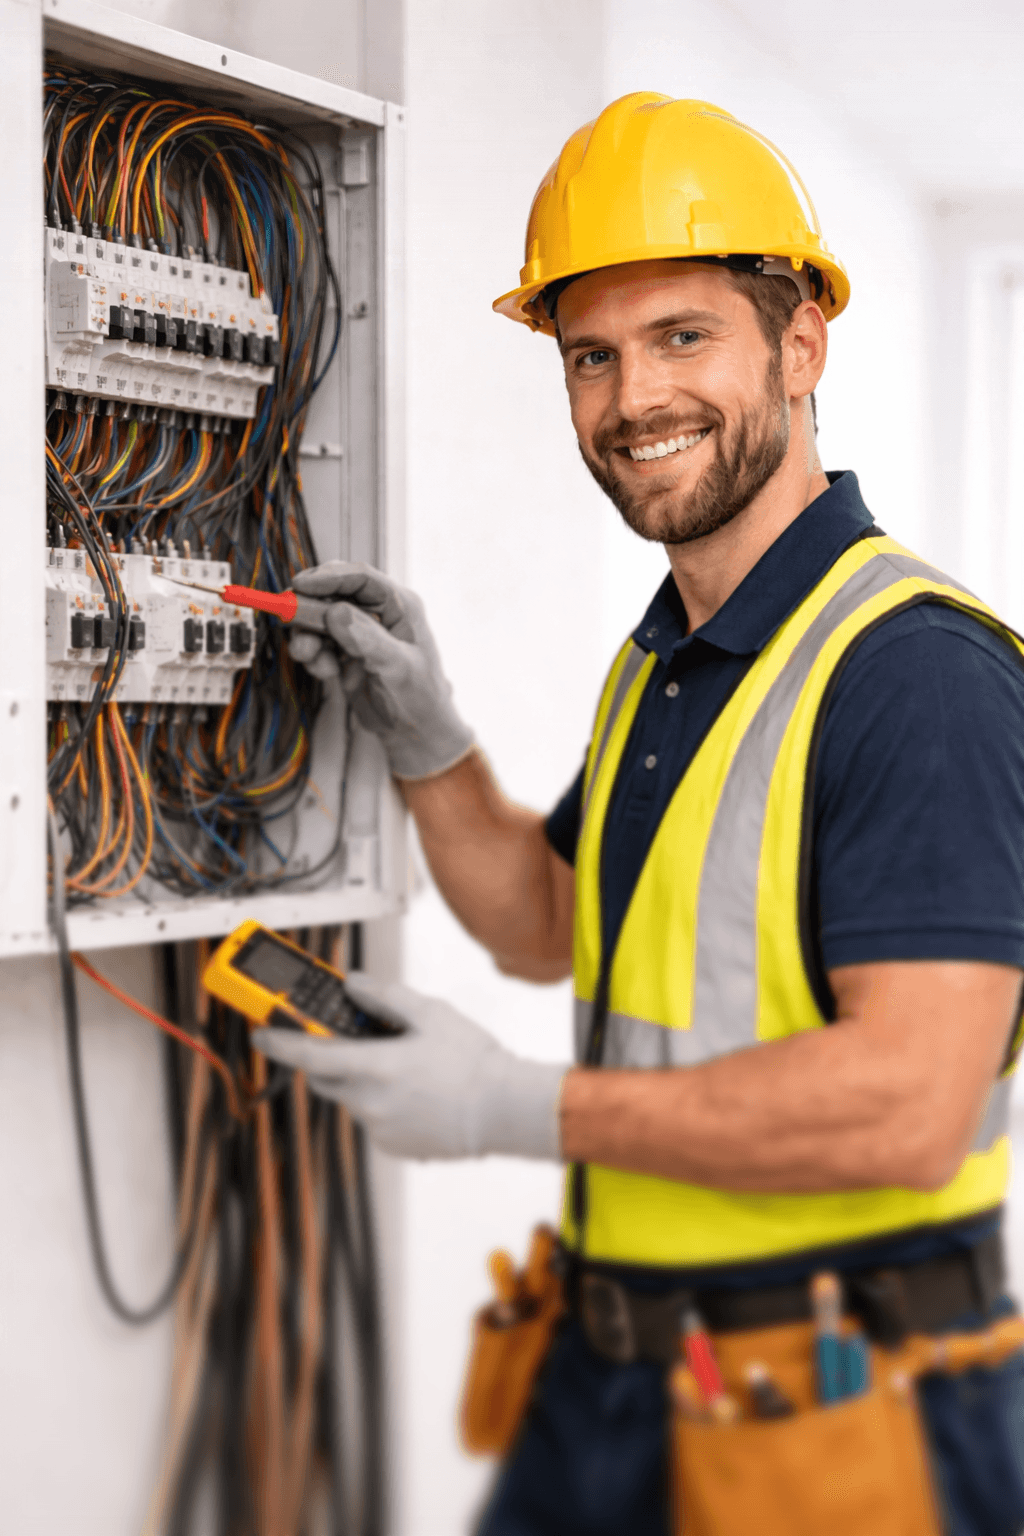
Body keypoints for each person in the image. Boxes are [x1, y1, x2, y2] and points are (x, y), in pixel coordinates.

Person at [255, 95, 1024, 1535]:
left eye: (684, 337)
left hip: (842, 1416)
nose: (630, 400)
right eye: (590, 355)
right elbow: (550, 928)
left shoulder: (913, 673)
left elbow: (916, 1103)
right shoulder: (671, 658)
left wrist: (507, 1106)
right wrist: (429, 740)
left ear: (800, 347)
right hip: (620, 1381)